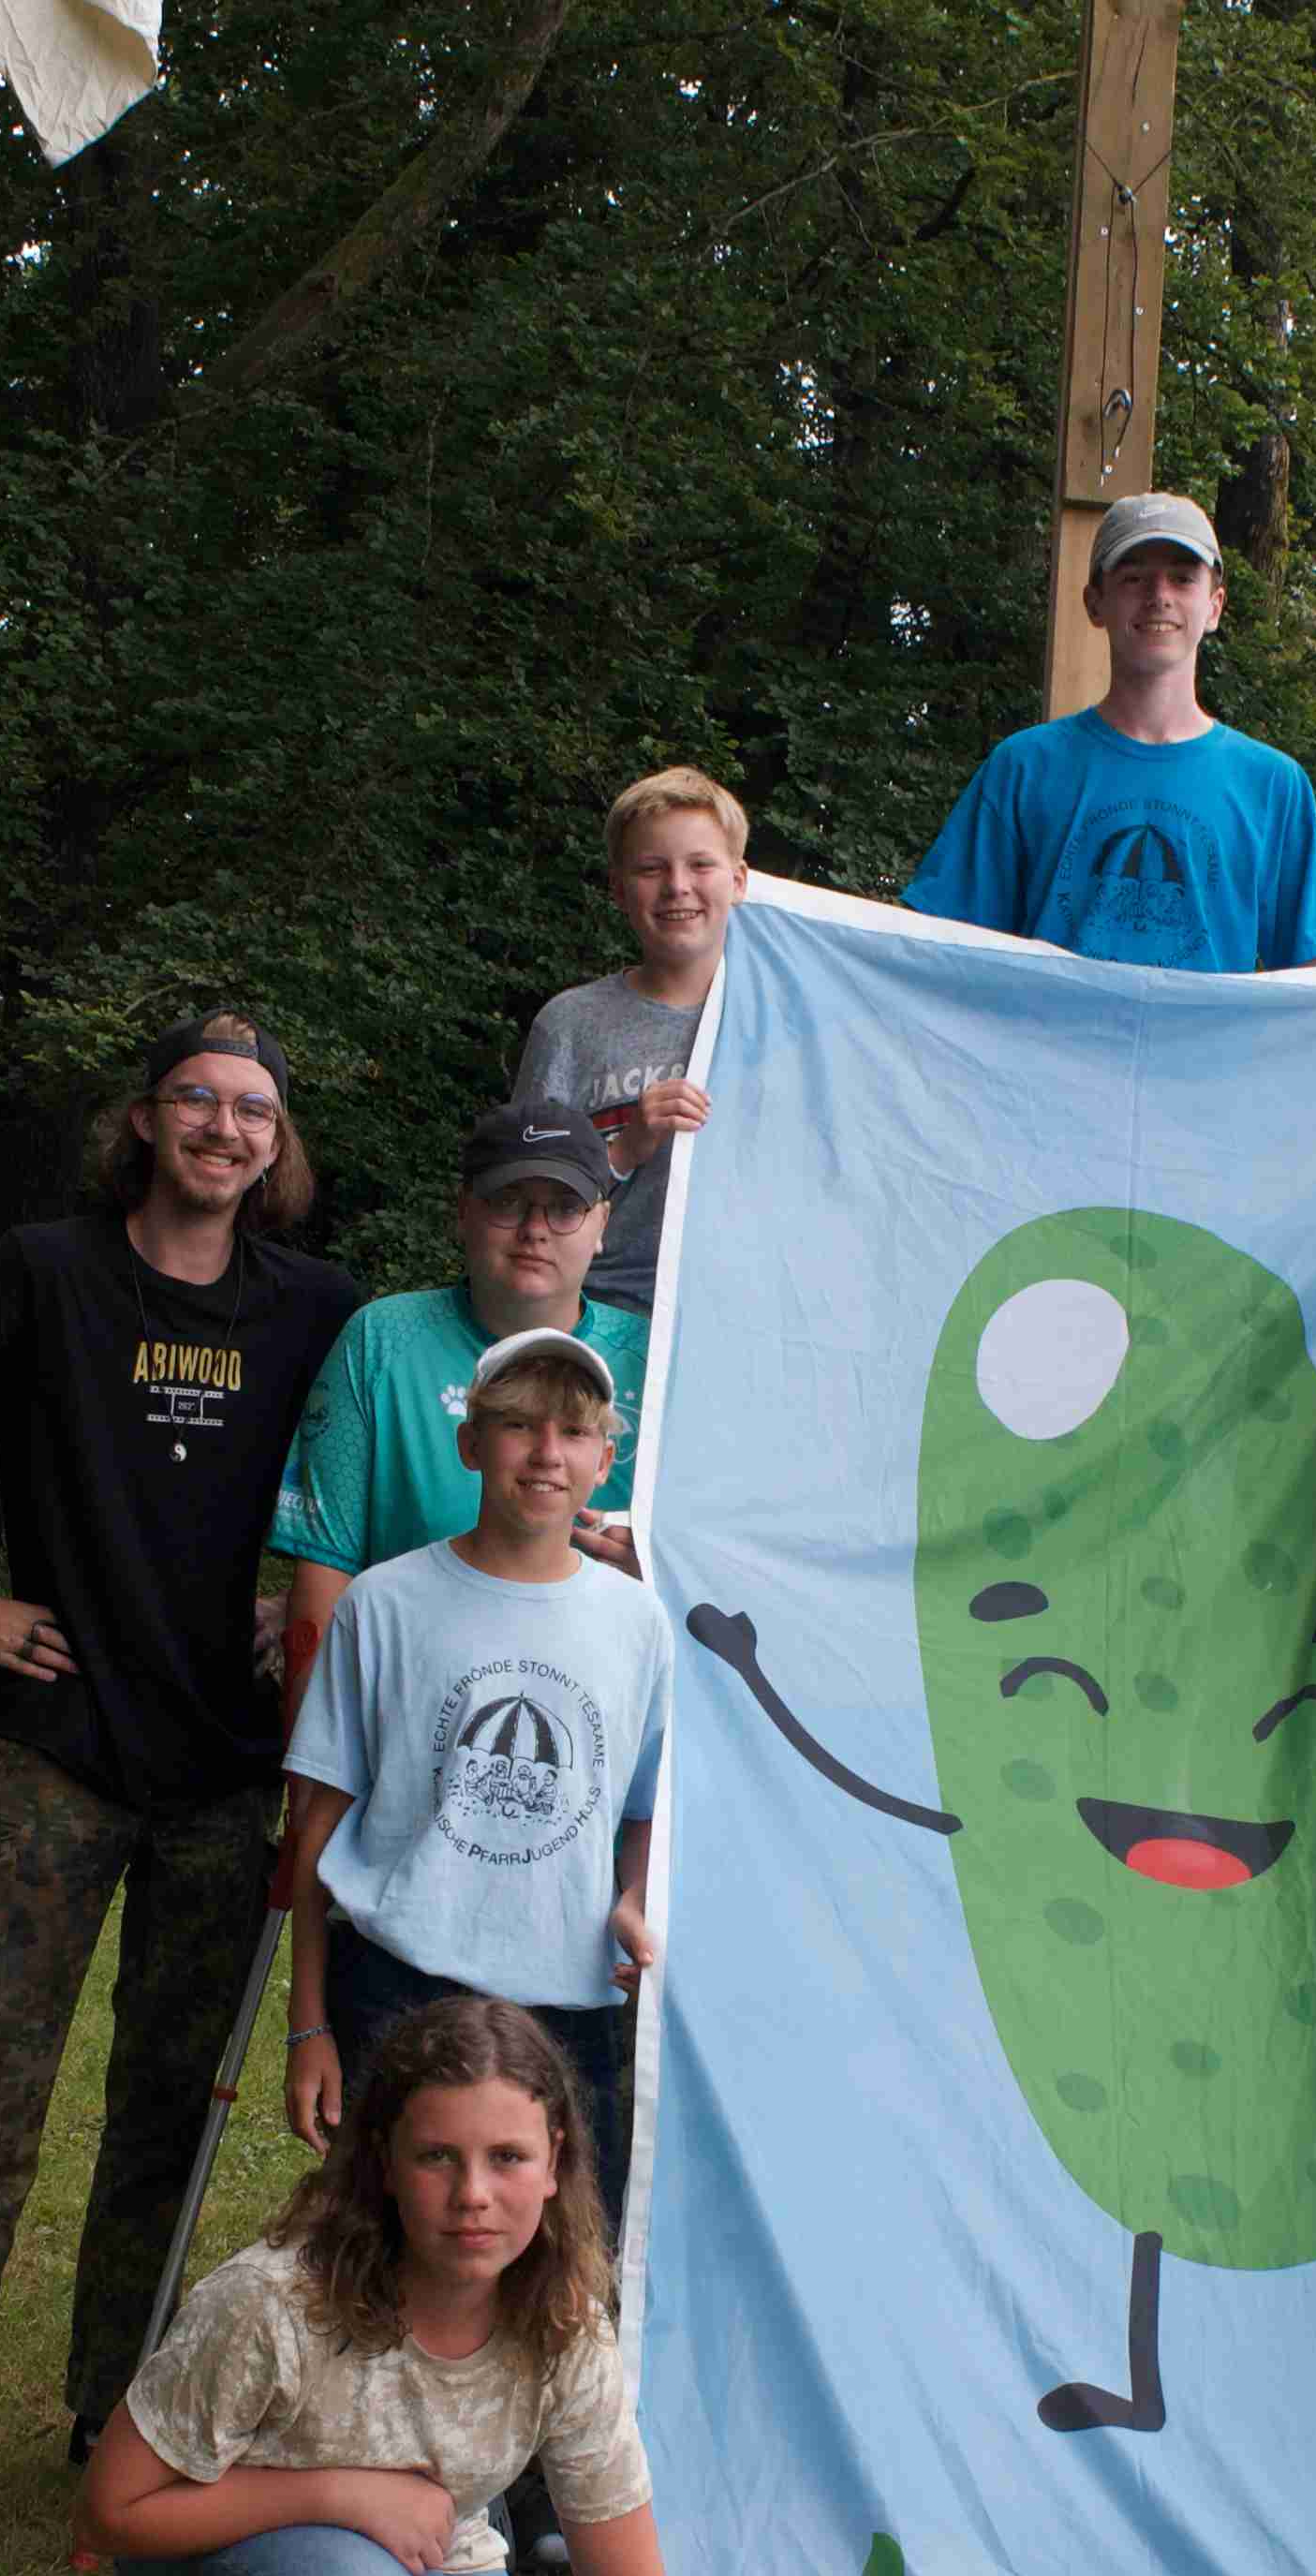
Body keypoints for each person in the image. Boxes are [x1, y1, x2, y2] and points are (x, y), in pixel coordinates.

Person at [0, 1012, 360, 2560]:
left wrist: (321, 1594)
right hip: (53, 1753)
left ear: (277, 1145)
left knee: (167, 2114)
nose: (225, 1128)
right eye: (198, 1100)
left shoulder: (317, 1308)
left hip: (227, 1772)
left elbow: (399, 1463)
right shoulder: (43, 1273)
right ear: (146, 1121)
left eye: (253, 1110)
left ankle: (114, 2416)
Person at [81, 1995, 732, 2576]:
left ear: (555, 2160)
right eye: (437, 2157)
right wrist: (342, 2495)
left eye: (507, 2157)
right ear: (383, 2161)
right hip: (217, 2541)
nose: (473, 2194)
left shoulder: (563, 2325)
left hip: (433, 2556)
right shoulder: (273, 2303)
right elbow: (109, 2511)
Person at [276, 1329, 667, 2237]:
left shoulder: (640, 1623)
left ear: (605, 1460)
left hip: (566, 1999)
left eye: (574, 1432)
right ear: (469, 1443)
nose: (546, 1453)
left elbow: (648, 1805)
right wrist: (308, 2022)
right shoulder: (383, 1604)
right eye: (518, 1425)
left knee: (560, 2262)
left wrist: (632, 1895)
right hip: (398, 1983)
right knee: (382, 2247)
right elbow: (317, 1825)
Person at [901, 492, 1316, 974]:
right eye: (1134, 578)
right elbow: (931, 945)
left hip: (1206, 1030)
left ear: (1214, 606)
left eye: (1182, 578)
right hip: (1050, 1027)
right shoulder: (1024, 768)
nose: (1158, 595)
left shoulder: (1271, 785)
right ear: (1095, 603)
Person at [274, 1103, 651, 1660]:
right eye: (507, 1201)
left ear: (603, 1224)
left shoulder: (655, 1361)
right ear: (463, 1211)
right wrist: (312, 1715)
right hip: (405, 1683)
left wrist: (666, 1575)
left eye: (566, 1207)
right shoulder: (380, 1341)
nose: (535, 1230)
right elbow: (323, 1576)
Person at [510, 767, 748, 1317]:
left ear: (738, 881)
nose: (677, 886)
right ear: (618, 889)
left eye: (700, 864)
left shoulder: (787, 1025)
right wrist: (626, 1148)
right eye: (651, 868)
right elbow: (524, 1199)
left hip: (742, 1318)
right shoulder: (570, 1025)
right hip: (602, 1313)